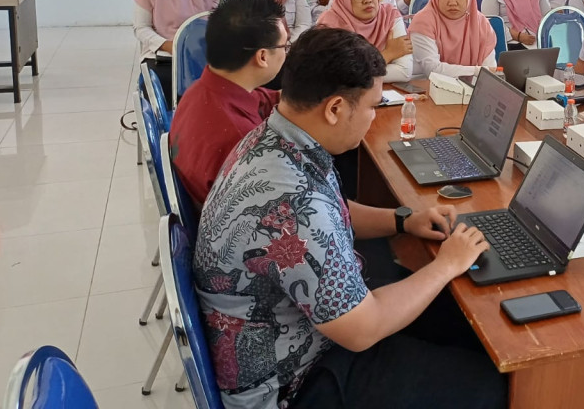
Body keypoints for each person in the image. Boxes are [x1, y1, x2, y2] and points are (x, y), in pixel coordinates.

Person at [194, 28, 504, 409]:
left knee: (458, 321)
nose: (374, 117)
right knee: (489, 388)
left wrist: (403, 220)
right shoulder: (294, 202)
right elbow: (363, 329)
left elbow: (332, 210)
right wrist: (447, 265)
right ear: (336, 108)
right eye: (373, 105)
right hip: (292, 383)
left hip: (298, 332)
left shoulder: (275, 138)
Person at [169, 0, 285, 206]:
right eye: (284, 46)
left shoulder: (202, 89)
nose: (286, 52)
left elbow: (264, 100)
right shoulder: (244, 141)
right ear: (262, 57)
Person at [318, 0, 413, 82]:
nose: (368, 0)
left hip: (390, 94)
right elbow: (339, 76)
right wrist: (388, 53)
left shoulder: (389, 15)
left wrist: (358, 73)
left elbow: (404, 71)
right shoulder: (329, 25)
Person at [408, 0, 497, 78]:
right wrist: (476, 71)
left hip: (470, 89)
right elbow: (432, 69)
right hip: (427, 88)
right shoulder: (423, 21)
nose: (452, 2)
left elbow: (490, 71)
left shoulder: (481, 23)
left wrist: (481, 73)